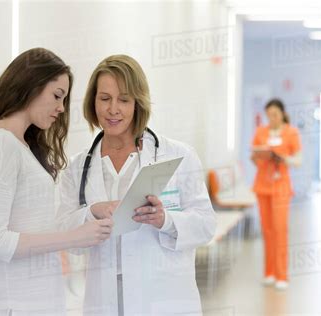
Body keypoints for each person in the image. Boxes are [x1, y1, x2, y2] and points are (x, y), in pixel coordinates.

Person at [56, 54, 216, 315]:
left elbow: (206, 225)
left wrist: (165, 219)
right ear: (92, 102)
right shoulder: (77, 168)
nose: (113, 109)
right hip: (105, 301)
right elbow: (66, 238)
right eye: (105, 98)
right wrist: (91, 211)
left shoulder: (178, 155)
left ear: (137, 103)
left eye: (124, 100)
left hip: (164, 298)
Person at [0, 48, 113, 316]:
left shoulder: (22, 147)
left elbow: (35, 225)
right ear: (31, 85)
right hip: (13, 304)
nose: (61, 108)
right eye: (57, 96)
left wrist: (89, 213)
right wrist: (71, 238)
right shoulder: (1, 145)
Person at [251, 98, 302, 290]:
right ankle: (269, 272)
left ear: (282, 113)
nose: (271, 118)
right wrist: (259, 156)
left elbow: (298, 160)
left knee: (280, 230)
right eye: (268, 115)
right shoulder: (260, 132)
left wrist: (283, 159)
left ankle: (282, 275)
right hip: (263, 186)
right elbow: (254, 157)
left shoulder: (291, 132)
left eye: (275, 114)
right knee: (267, 230)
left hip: (281, 186)